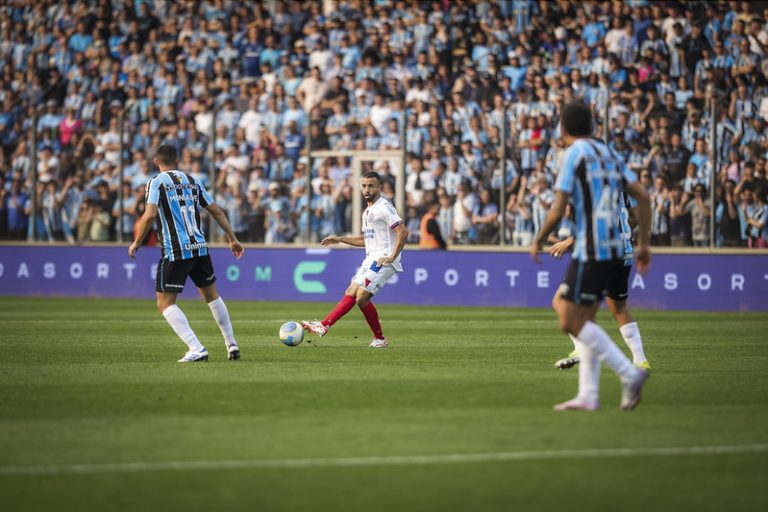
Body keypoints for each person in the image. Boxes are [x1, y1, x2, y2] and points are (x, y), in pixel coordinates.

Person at [530, 102, 652, 412]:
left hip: (593, 248)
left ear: (563, 128)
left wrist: (540, 238)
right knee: (588, 317)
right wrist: (644, 244)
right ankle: (588, 394)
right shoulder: (609, 153)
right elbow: (643, 197)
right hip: (618, 248)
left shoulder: (574, 153)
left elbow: (558, 207)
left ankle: (629, 373)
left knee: (567, 315)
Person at [128, 144, 245, 362]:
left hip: (176, 250)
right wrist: (232, 239)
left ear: (156, 162)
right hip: (199, 247)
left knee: (164, 303)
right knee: (212, 296)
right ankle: (231, 344)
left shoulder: (156, 182)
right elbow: (216, 211)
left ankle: (196, 348)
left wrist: (137, 241)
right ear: (178, 159)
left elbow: (150, 215)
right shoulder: (193, 181)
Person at [301, 171, 409, 348]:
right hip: (371, 259)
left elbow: (403, 231)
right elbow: (365, 240)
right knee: (352, 291)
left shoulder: (384, 207)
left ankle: (376, 338)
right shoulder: (367, 212)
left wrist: (391, 257)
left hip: (383, 259)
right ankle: (325, 325)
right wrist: (339, 238)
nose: (367, 189)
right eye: (364, 186)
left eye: (371, 186)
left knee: (361, 296)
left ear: (379, 187)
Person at [548, 189, 651, 372]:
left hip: (598, 254)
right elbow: (634, 217)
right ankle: (641, 361)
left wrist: (568, 241)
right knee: (618, 309)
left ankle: (584, 350)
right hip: (624, 252)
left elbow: (598, 225)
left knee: (562, 302)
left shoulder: (593, 183)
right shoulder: (619, 183)